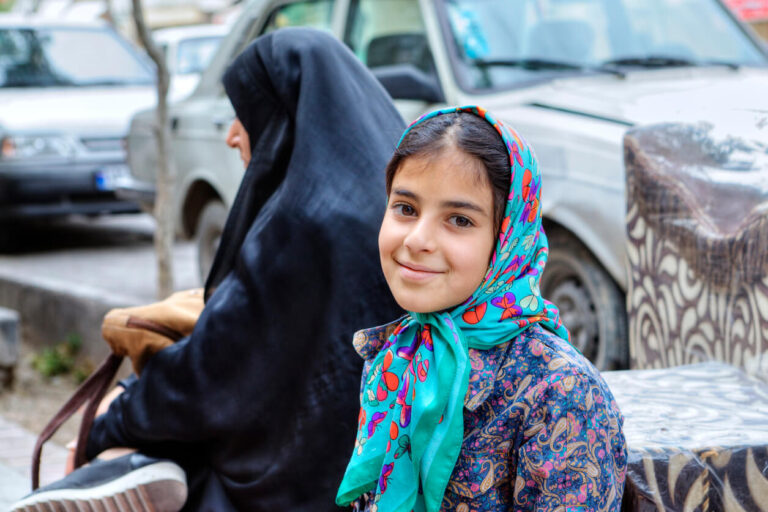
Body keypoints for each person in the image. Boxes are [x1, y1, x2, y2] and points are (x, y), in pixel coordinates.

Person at [12, 28, 404, 511]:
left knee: (136, 453)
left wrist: (110, 423)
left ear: (286, 111)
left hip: (291, 486)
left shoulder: (303, 223)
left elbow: (214, 371)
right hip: (378, 470)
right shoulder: (390, 206)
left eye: (244, 112)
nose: (232, 133)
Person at [335, 106, 627, 511]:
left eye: (458, 219)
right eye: (405, 209)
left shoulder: (559, 392)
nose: (418, 239)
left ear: (507, 239)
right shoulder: (398, 358)